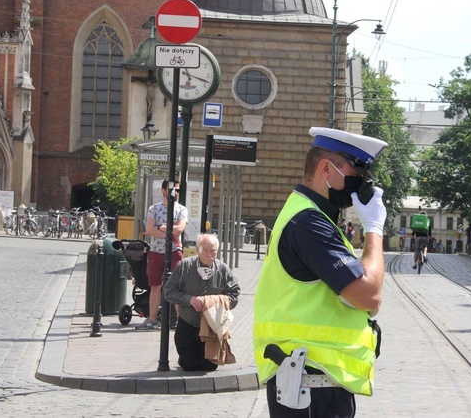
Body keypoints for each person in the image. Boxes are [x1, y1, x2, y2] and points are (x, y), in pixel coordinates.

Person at [253, 127, 387, 417]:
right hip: (309, 385)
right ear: (326, 169)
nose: (361, 184)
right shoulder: (308, 222)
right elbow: (369, 295)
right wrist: (374, 229)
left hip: (316, 381)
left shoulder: (313, 216)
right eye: (356, 173)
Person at [164, 234, 241, 371]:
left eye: (213, 251)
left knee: (209, 367)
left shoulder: (222, 269)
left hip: (211, 327)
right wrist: (190, 300)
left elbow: (235, 294)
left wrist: (215, 302)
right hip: (188, 324)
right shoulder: (184, 266)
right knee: (189, 365)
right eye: (205, 250)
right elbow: (169, 292)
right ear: (197, 249)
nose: (209, 254)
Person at [138, 179, 188, 330]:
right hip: (156, 251)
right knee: (155, 286)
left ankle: (181, 321)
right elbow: (150, 230)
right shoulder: (154, 209)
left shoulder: (181, 209)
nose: (175, 193)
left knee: (178, 286)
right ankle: (152, 320)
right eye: (173, 190)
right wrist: (166, 230)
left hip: (174, 251)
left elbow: (179, 229)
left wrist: (160, 227)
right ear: (164, 191)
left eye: (178, 190)